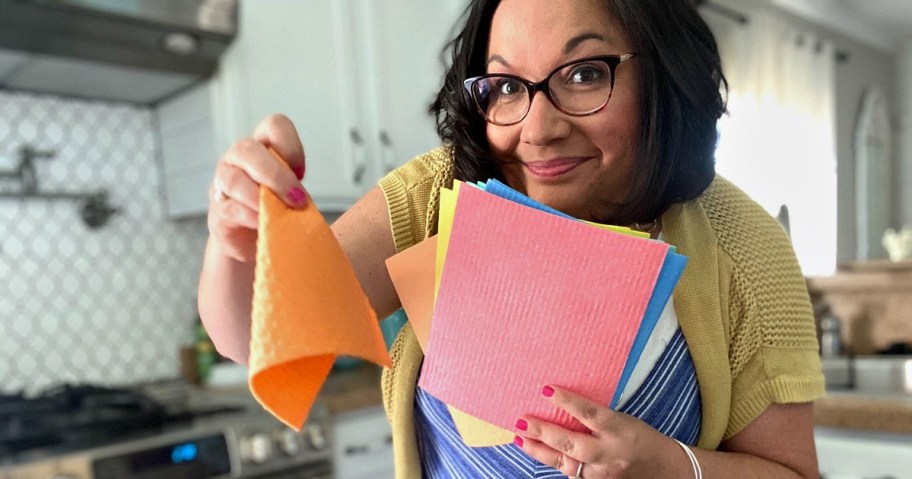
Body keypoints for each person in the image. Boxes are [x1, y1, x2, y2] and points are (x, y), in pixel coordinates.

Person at [198, 0, 825, 477]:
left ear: (661, 73)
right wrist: (236, 240)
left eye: (583, 74)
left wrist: (669, 466)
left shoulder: (745, 250)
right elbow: (258, 341)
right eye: (505, 87)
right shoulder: (435, 197)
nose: (538, 127)